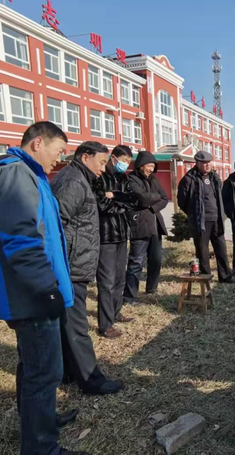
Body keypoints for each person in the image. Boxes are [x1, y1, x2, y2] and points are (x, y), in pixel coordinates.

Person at [0, 122, 89, 455]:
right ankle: (41, 447)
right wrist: (47, 289)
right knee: (44, 372)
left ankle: (39, 420)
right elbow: (22, 241)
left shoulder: (30, 175)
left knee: (33, 364)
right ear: (37, 143)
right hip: (31, 295)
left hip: (31, 292)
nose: (60, 160)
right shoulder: (18, 175)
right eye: (58, 151)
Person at [51, 141, 124, 396]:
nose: (104, 168)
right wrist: (62, 263)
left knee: (67, 323)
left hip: (75, 263)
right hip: (71, 266)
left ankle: (66, 372)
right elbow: (56, 225)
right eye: (101, 162)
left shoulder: (79, 178)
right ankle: (91, 380)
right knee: (76, 326)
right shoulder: (73, 181)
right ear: (85, 157)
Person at [95, 145, 137, 338]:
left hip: (121, 233)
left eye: (128, 161)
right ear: (114, 158)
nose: (126, 164)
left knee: (120, 277)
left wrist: (115, 196)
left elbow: (132, 200)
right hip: (105, 235)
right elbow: (102, 204)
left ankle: (116, 312)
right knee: (107, 281)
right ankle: (105, 324)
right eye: (124, 160)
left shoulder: (123, 178)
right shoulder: (100, 176)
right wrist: (120, 203)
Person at [177, 151, 235, 283]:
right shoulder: (189, 179)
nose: (208, 165)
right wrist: (194, 213)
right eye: (204, 163)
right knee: (202, 250)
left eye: (209, 162)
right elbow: (182, 201)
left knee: (221, 248)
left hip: (216, 219)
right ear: (197, 163)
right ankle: (205, 277)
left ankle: (225, 276)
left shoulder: (214, 177)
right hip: (201, 221)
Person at [124, 151, 169, 302]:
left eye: (153, 167)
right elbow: (142, 199)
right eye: (149, 166)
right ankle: (129, 296)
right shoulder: (131, 179)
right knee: (136, 262)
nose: (151, 169)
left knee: (156, 259)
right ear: (140, 165)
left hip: (155, 224)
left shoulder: (154, 180)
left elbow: (164, 198)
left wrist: (152, 207)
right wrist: (153, 198)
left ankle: (151, 288)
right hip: (140, 225)